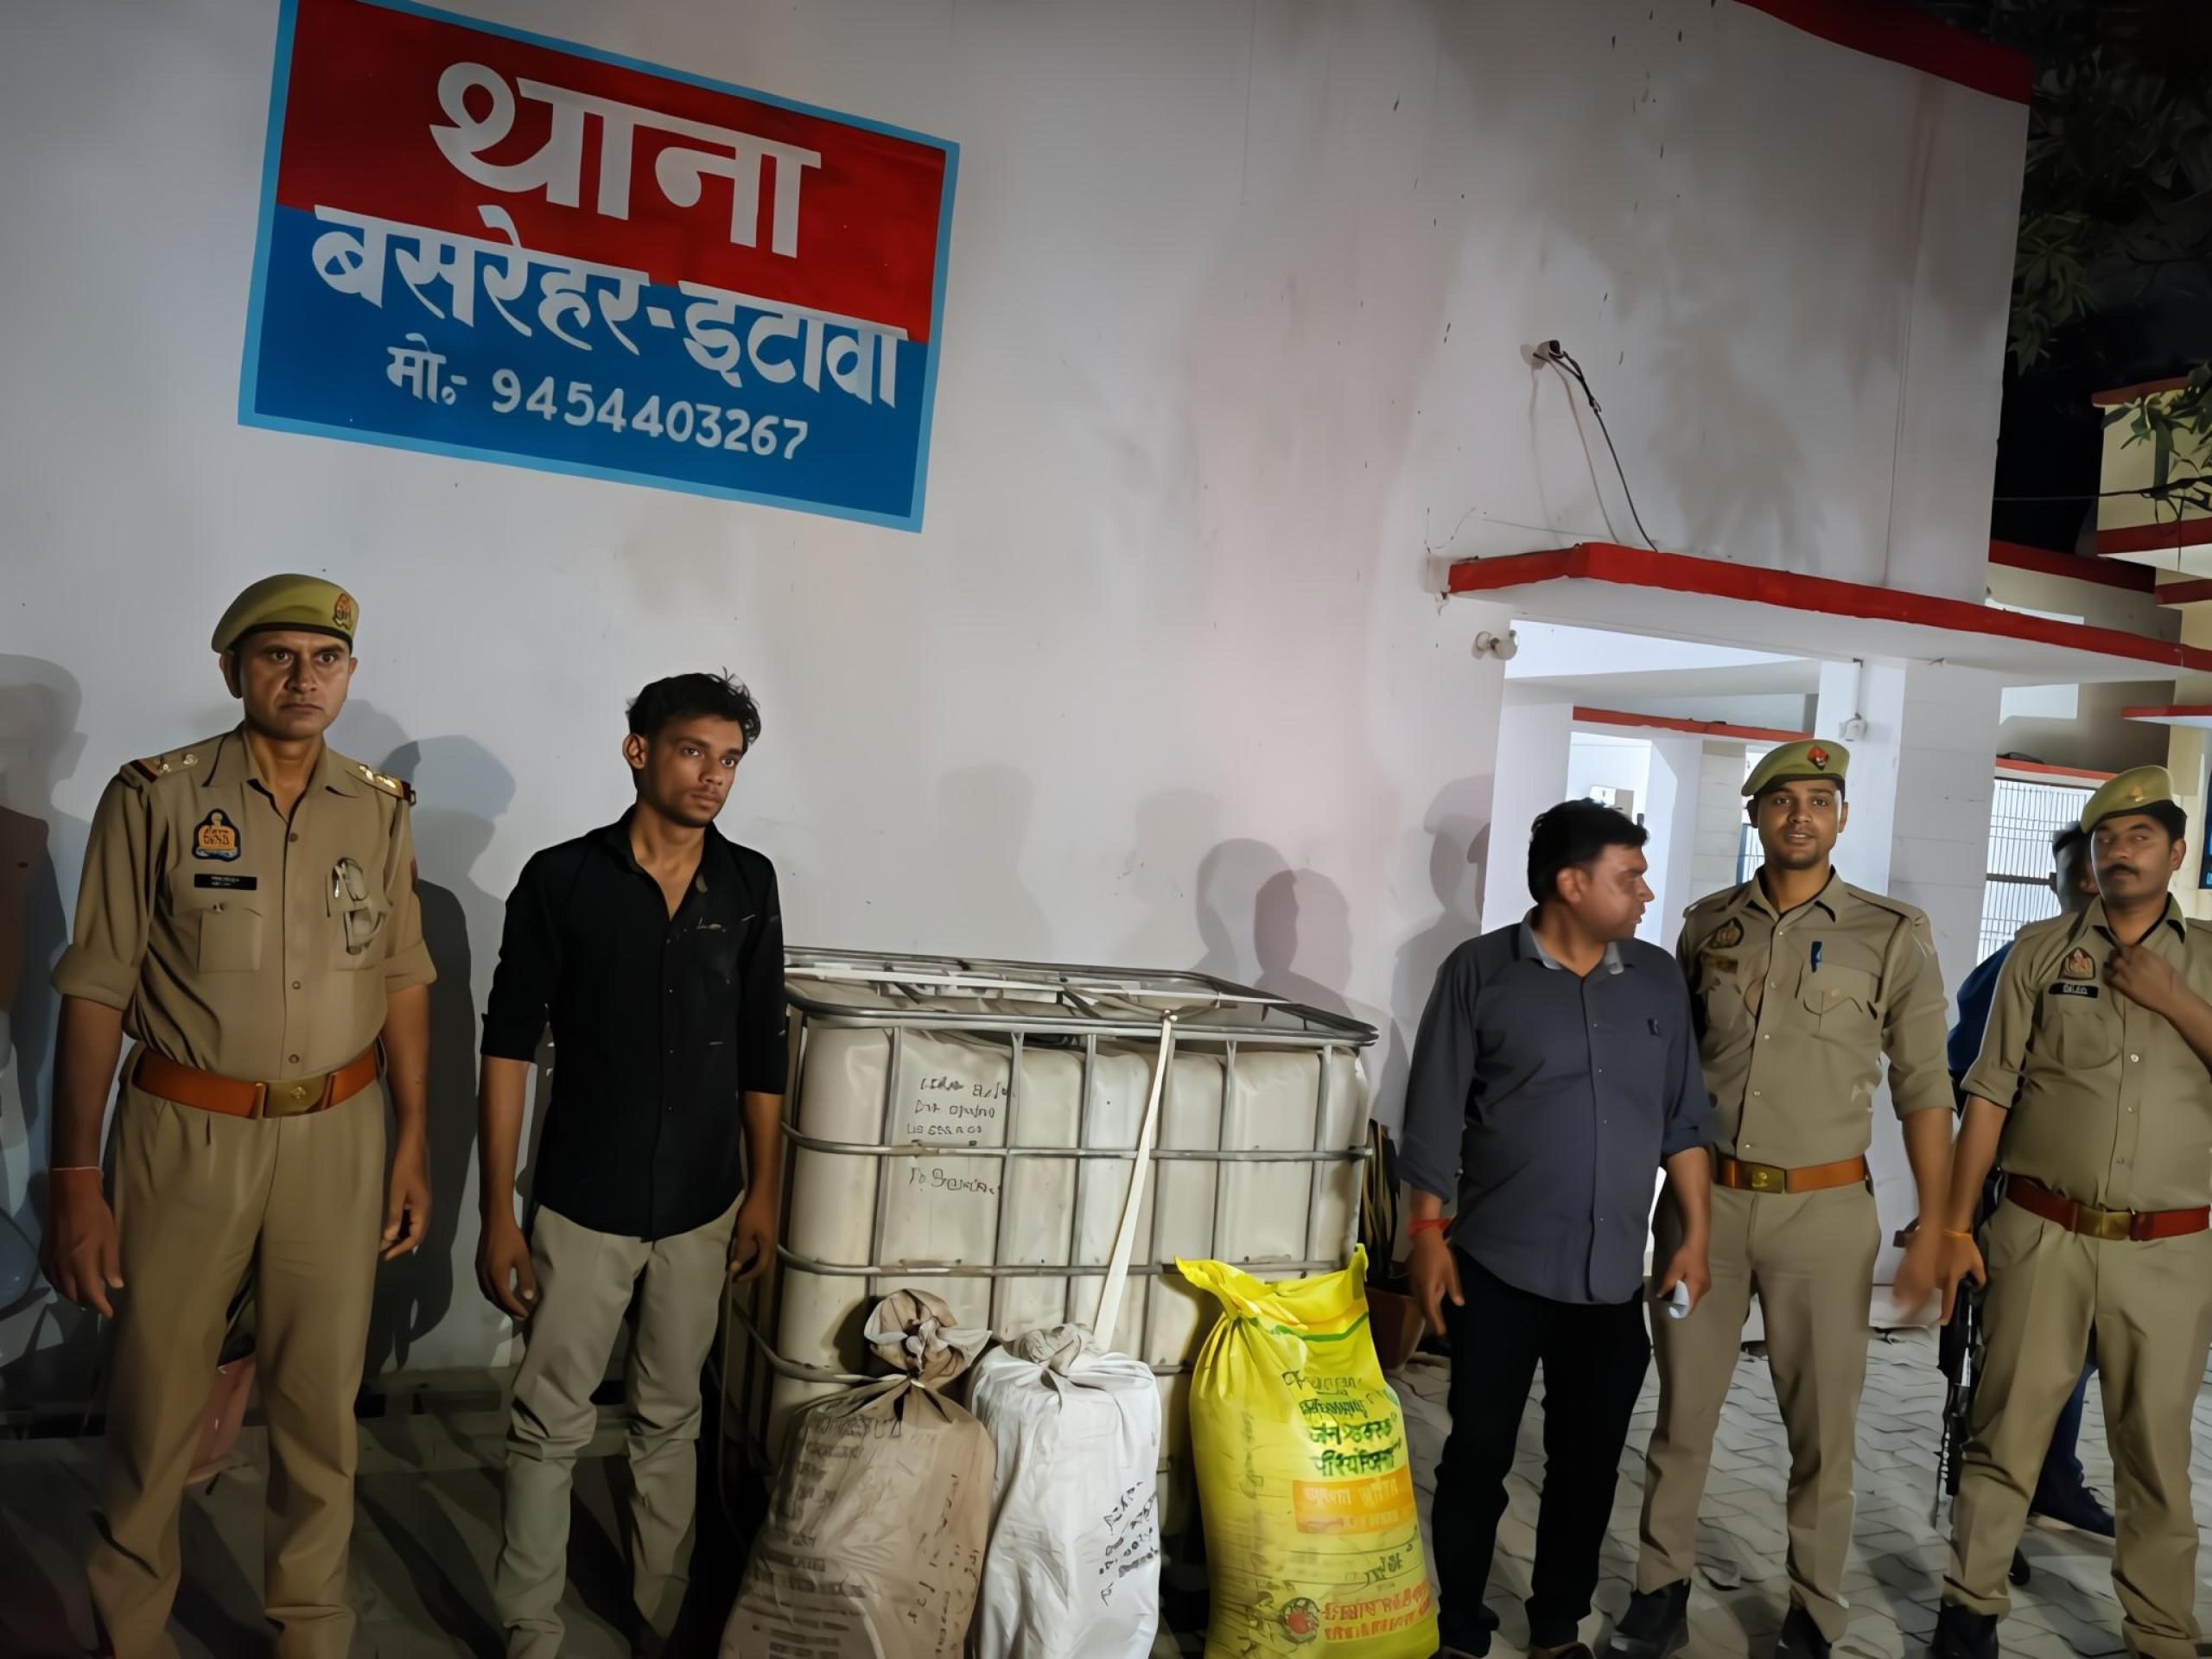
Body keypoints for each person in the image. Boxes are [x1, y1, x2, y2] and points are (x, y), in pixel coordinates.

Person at [39, 575, 435, 1658]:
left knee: (319, 1407)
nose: (304, 679)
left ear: (349, 674)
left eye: (326, 659)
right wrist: (73, 1178)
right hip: (187, 1133)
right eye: (278, 656)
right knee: (157, 1400)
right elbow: (96, 989)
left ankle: (311, 1631)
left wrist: (412, 1140)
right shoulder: (155, 797)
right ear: (232, 669)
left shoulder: (379, 809)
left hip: (339, 1136)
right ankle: (133, 1631)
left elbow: (402, 975)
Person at [1611, 741, 1954, 1659]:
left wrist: (1938, 1223)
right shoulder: (1707, 926)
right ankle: (1659, 1588)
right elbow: (1677, 1072)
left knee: (1823, 1429)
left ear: (1841, 816)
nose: (1800, 815)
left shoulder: (1891, 932)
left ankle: (1814, 1607)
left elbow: (1925, 1086)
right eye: (1781, 800)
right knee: (1681, 1417)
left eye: (1819, 799)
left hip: (1825, 1216)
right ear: (1755, 815)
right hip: (1705, 1210)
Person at [477, 671, 787, 1659]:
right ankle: (530, 1632)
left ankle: (663, 1622)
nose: (714, 776)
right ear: (639, 752)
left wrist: (763, 1191)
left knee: (671, 1416)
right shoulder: (563, 880)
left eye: (729, 759)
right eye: (694, 751)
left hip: (702, 1201)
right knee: (547, 1421)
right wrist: (496, 1212)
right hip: (584, 1200)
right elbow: (506, 1047)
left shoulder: (748, 886)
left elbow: (761, 1046)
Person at [1402, 799, 1713, 1659]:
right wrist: (1425, 1236)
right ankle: (1459, 1626)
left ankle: (1554, 1629)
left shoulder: (1656, 978)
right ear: (1572, 885)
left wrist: (1695, 1236)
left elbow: (1685, 1120)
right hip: (1496, 1267)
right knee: (1477, 1455)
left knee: (1587, 1464)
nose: (1646, 892)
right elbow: (1433, 1115)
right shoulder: (1478, 972)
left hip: (1610, 1277)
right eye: (1630, 876)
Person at [1931, 766, 2212, 1659]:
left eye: (2140, 837)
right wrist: (1951, 1228)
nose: (2119, 852)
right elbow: (1987, 1095)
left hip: (2168, 1250)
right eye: (2105, 838)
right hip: (2041, 1232)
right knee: (2003, 1433)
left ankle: (2160, 1631)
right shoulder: (2039, 950)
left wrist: (2177, 1001)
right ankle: (1968, 1612)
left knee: (2154, 1453)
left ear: (2176, 853)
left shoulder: (2208, 959)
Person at [1942, 824, 2109, 1539]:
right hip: (2022, 1199)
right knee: (2004, 1366)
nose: (2096, 882)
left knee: (2078, 1354)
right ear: (2055, 883)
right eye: (2081, 872)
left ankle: (2052, 1477)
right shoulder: (2018, 962)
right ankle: (1989, 1513)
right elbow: (1969, 1080)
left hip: (2111, 1215)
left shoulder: (2152, 967)